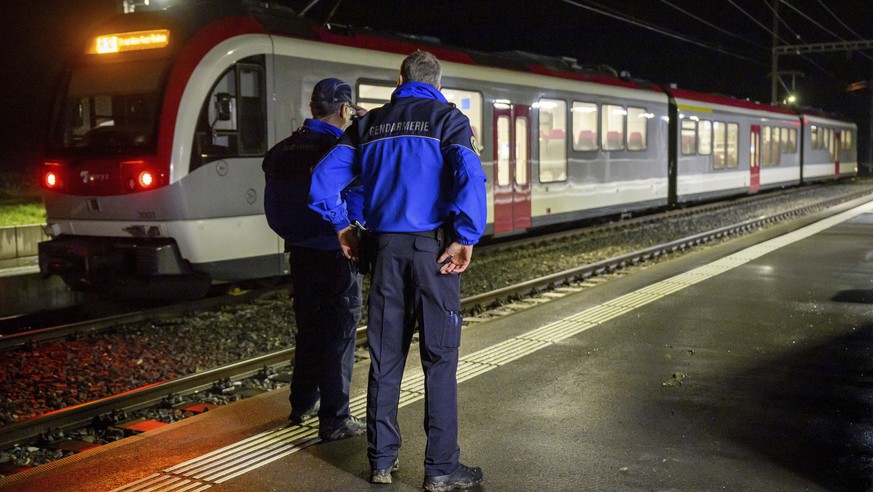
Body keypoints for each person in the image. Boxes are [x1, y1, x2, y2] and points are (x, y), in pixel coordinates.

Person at [309, 51, 487, 491]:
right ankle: (441, 469)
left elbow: (322, 180)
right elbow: (468, 175)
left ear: (399, 78)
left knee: (386, 359)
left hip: (384, 252)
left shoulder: (369, 125)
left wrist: (343, 227)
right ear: (438, 83)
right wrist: (466, 235)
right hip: (434, 255)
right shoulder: (449, 120)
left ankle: (381, 463)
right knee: (439, 360)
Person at [262, 78, 367, 442]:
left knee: (308, 329)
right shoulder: (341, 150)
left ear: (312, 108)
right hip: (339, 253)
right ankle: (335, 419)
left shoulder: (280, 151)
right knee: (339, 334)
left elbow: (273, 210)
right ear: (343, 109)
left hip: (301, 253)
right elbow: (356, 202)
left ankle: (302, 403)